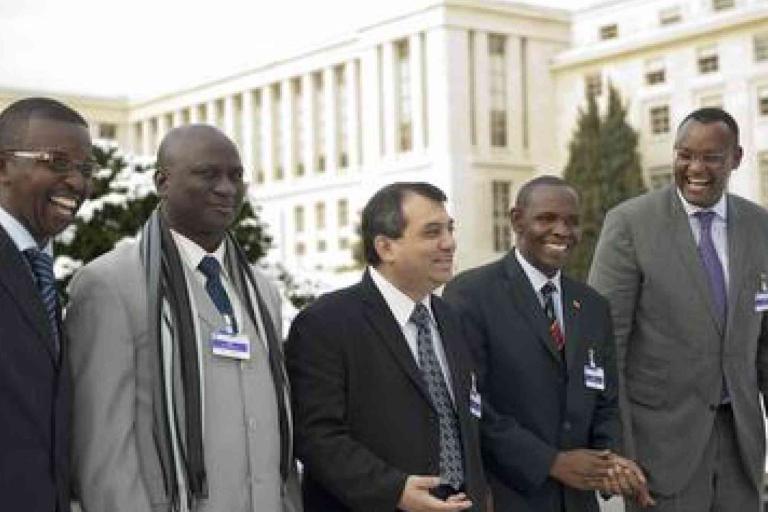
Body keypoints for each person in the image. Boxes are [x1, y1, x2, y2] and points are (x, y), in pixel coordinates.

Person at [66, 124, 301, 512]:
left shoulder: (262, 292)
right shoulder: (109, 285)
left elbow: (279, 431)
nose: (226, 188)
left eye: (236, 175)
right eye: (208, 174)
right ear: (162, 182)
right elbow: (103, 454)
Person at [588, 107, 768, 511]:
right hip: (659, 453)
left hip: (740, 450)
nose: (695, 168)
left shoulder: (761, 227)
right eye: (685, 155)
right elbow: (604, 346)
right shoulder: (630, 224)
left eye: (711, 157)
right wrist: (618, 452)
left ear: (736, 158)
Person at [443, 176, 652, 511]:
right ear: (516, 220)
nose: (562, 231)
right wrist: (551, 463)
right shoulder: (471, 295)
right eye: (547, 219)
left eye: (572, 221)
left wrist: (610, 462)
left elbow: (606, 401)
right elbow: (470, 406)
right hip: (508, 497)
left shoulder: (593, 306)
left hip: (579, 501)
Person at [286, 182, 485, 512]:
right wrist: (395, 492)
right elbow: (317, 436)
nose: (449, 242)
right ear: (386, 247)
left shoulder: (452, 319)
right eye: (432, 232)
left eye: (450, 229)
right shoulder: (325, 323)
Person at [0, 97, 93, 512]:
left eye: (85, 169)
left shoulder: (38, 270)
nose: (77, 182)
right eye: (57, 162)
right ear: (3, 167)